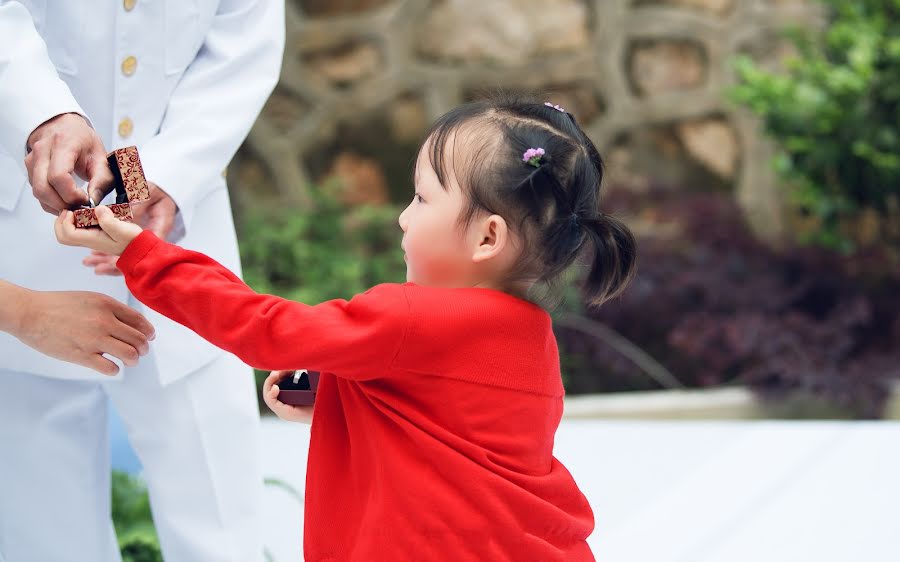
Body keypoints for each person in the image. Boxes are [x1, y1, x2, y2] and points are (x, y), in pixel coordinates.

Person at [57, 96, 636, 561]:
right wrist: (331, 388)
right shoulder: (532, 336)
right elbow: (436, 416)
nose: (403, 216)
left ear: (487, 238)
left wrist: (146, 257)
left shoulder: (411, 318)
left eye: (420, 197)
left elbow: (264, 328)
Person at [0, 2, 284, 561]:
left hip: (178, 231)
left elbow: (241, 52)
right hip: (27, 239)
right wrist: (45, 115)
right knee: (43, 529)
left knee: (222, 521)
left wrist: (154, 177)